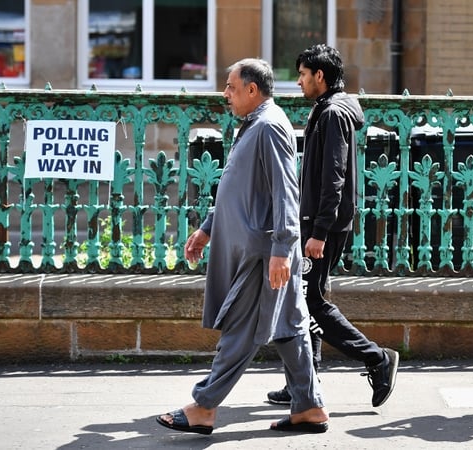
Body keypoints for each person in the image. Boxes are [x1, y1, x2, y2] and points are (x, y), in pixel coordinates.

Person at [156, 58, 329, 435]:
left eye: (231, 87)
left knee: (240, 328)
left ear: (252, 90)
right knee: (290, 327)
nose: (225, 94)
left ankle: (204, 406)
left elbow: (286, 191)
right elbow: (239, 187)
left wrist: (281, 249)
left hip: (263, 252)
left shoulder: (269, 126)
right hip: (265, 248)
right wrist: (207, 229)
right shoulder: (255, 124)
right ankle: (309, 406)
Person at [266, 44, 399, 408]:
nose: (298, 82)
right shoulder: (327, 109)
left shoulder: (333, 114)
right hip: (315, 223)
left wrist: (319, 232)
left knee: (310, 301)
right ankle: (304, 382)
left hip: (321, 227)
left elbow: (334, 176)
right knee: (305, 299)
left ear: (320, 76)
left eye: (303, 75)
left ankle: (376, 358)